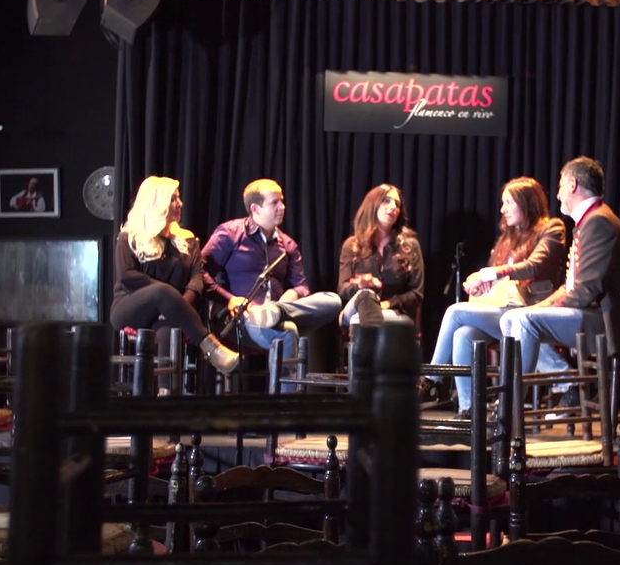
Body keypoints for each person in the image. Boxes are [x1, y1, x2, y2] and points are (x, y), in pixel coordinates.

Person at [499, 156, 620, 381]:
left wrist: (547, 308)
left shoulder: (599, 222)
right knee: (511, 318)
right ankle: (518, 396)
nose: (557, 195)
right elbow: (572, 285)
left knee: (525, 321)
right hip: (592, 313)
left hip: (611, 320)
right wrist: (541, 305)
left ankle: (512, 404)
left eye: (560, 187)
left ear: (573, 184)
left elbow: (586, 290)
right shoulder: (589, 221)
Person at [422, 177, 567, 417]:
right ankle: (470, 409)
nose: (503, 209)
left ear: (526, 203)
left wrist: (488, 273)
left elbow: (533, 266)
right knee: (463, 334)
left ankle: (432, 380)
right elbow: (496, 284)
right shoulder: (505, 240)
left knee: (455, 312)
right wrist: (481, 287)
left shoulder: (551, 229)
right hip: (502, 311)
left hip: (531, 309)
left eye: (508, 202)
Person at [201, 179, 342, 388]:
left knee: (333, 301)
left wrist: (283, 303)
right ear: (255, 208)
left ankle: (275, 310)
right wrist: (230, 300)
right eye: (275, 202)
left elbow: (301, 287)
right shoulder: (230, 234)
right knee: (288, 331)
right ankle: (285, 406)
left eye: (282, 201)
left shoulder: (287, 244)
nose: (282, 207)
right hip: (241, 319)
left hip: (278, 313)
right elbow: (200, 273)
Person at [110, 176, 240, 375]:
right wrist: (166, 296)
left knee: (168, 326)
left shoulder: (187, 240)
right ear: (156, 203)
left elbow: (197, 280)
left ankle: (165, 393)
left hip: (173, 312)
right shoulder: (130, 237)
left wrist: (177, 305)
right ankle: (212, 348)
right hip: (130, 307)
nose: (180, 203)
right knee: (163, 292)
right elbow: (128, 276)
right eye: (173, 199)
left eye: (178, 198)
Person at [337, 184, 424, 331]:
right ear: (372, 205)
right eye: (386, 200)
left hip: (394, 313)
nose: (393, 207)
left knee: (374, 317)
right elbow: (342, 289)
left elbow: (416, 294)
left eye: (397, 204)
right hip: (356, 309)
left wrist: (388, 304)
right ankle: (368, 302)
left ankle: (371, 324)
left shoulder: (410, 246)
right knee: (365, 297)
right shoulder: (352, 245)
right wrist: (360, 285)